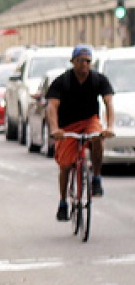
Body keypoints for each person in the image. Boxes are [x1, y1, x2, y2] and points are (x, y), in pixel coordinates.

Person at [46, 44, 115, 222]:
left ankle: (97, 178)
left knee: (97, 138)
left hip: (89, 120)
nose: (84, 64)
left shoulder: (98, 79)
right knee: (66, 165)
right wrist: (55, 129)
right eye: (80, 60)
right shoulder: (62, 81)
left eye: (87, 61)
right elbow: (52, 106)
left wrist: (110, 127)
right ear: (73, 61)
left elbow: (109, 103)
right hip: (67, 126)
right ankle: (63, 202)